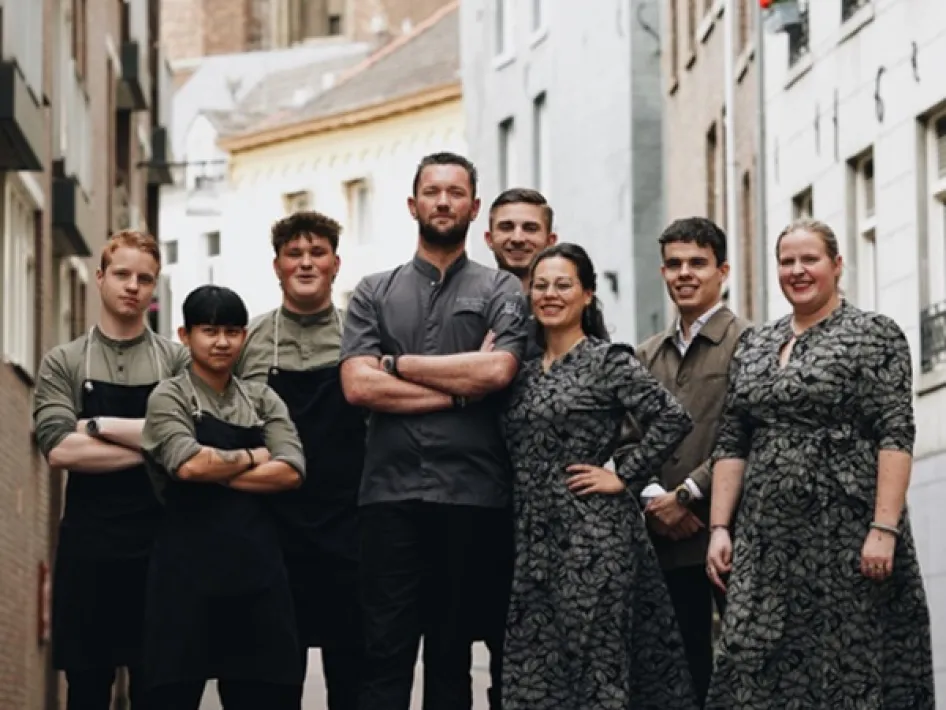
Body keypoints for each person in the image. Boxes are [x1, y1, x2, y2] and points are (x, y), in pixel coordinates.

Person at [705, 218, 935, 708]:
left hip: (846, 533)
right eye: (786, 261)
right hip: (765, 540)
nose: (797, 270)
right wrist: (720, 527)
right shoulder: (755, 344)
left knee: (846, 663)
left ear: (836, 264)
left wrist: (884, 529)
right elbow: (732, 437)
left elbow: (895, 432)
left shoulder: (874, 334)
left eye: (809, 259)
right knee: (749, 656)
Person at [340, 151, 528, 710]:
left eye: (454, 192)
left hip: (471, 496)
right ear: (412, 203)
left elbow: (498, 370)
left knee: (451, 658)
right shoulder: (373, 291)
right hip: (388, 497)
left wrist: (396, 365)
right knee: (384, 656)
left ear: (474, 208)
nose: (442, 201)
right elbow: (357, 387)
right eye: (432, 191)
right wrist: (460, 389)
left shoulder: (502, 290)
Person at [500, 242, 697, 710]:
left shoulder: (607, 361)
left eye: (563, 285)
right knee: (534, 670)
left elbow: (672, 417)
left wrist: (623, 476)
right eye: (540, 285)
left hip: (594, 537)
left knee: (597, 665)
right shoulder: (520, 372)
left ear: (587, 294)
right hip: (534, 541)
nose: (550, 294)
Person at [32, 230, 188, 709]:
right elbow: (60, 451)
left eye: (145, 278)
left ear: (154, 287)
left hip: (163, 547)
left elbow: (195, 444)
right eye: (122, 274)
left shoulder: (178, 361)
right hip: (89, 550)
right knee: (86, 690)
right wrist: (156, 446)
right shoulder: (64, 361)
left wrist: (97, 430)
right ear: (100, 278)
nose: (132, 286)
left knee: (159, 689)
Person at [141, 285, 307, 710]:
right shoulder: (169, 396)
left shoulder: (262, 398)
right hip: (184, 578)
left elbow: (290, 470)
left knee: (266, 696)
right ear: (184, 334)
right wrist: (253, 456)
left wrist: (217, 470)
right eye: (209, 330)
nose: (221, 342)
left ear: (245, 337)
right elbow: (188, 464)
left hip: (258, 578)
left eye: (232, 331)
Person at [236, 211, 367, 710]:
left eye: (317, 253)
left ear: (336, 264)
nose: (306, 263)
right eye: (295, 254)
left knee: (352, 681)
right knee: (271, 683)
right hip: (272, 531)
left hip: (348, 530)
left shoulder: (364, 335)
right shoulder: (248, 341)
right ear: (277, 266)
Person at [633, 217, 749, 706]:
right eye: (675, 264)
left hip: (730, 540)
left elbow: (743, 431)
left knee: (740, 667)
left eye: (697, 263)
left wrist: (689, 496)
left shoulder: (749, 344)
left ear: (721, 270)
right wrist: (655, 499)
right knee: (678, 672)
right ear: (662, 272)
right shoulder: (645, 355)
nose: (685, 273)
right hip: (664, 541)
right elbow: (624, 438)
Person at [485, 187, 558, 361]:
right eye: (506, 227)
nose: (517, 238)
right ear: (489, 239)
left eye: (530, 228)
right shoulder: (471, 303)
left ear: (550, 241)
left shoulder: (568, 307)